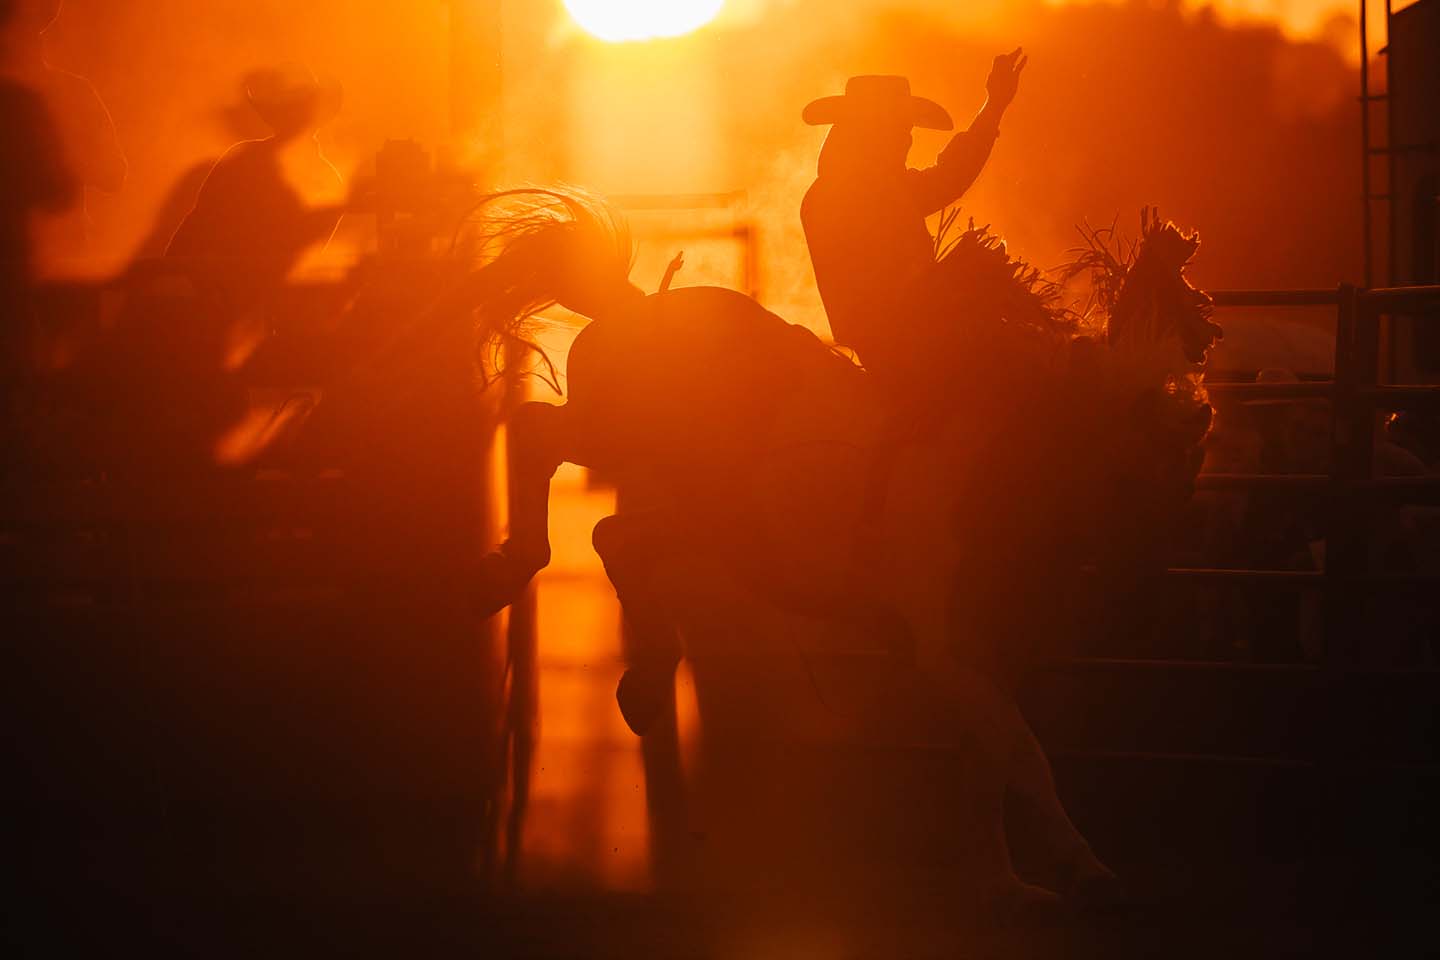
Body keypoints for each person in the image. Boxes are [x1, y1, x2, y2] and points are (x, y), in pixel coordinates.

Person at [801, 52, 1025, 391]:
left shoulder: (865, 188)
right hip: (904, 352)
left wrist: (993, 106)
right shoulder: (848, 195)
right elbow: (946, 180)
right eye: (898, 129)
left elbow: (947, 178)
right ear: (870, 134)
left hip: (916, 340)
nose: (907, 139)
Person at [0, 0, 125, 275]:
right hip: (54, 265)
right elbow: (112, 173)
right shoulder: (72, 93)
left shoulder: (73, 93)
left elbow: (113, 173)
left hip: (57, 264)